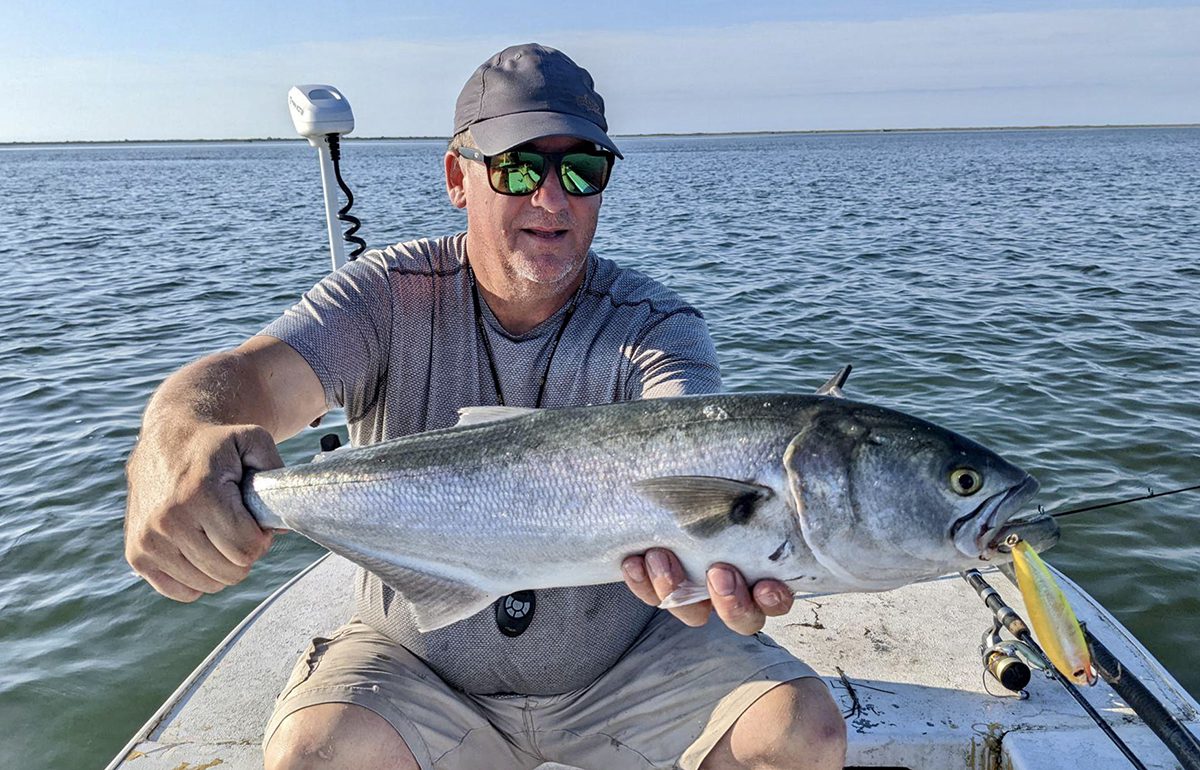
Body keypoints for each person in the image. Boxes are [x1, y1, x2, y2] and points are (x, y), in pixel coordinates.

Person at [123, 43, 846, 770]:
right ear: (457, 178)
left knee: (799, 735)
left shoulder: (655, 325)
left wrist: (719, 544)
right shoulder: (382, 296)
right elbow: (250, 381)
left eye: (582, 169)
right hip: (413, 663)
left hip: (628, 655)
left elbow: (697, 437)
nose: (552, 199)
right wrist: (177, 431)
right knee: (314, 755)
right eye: (520, 166)